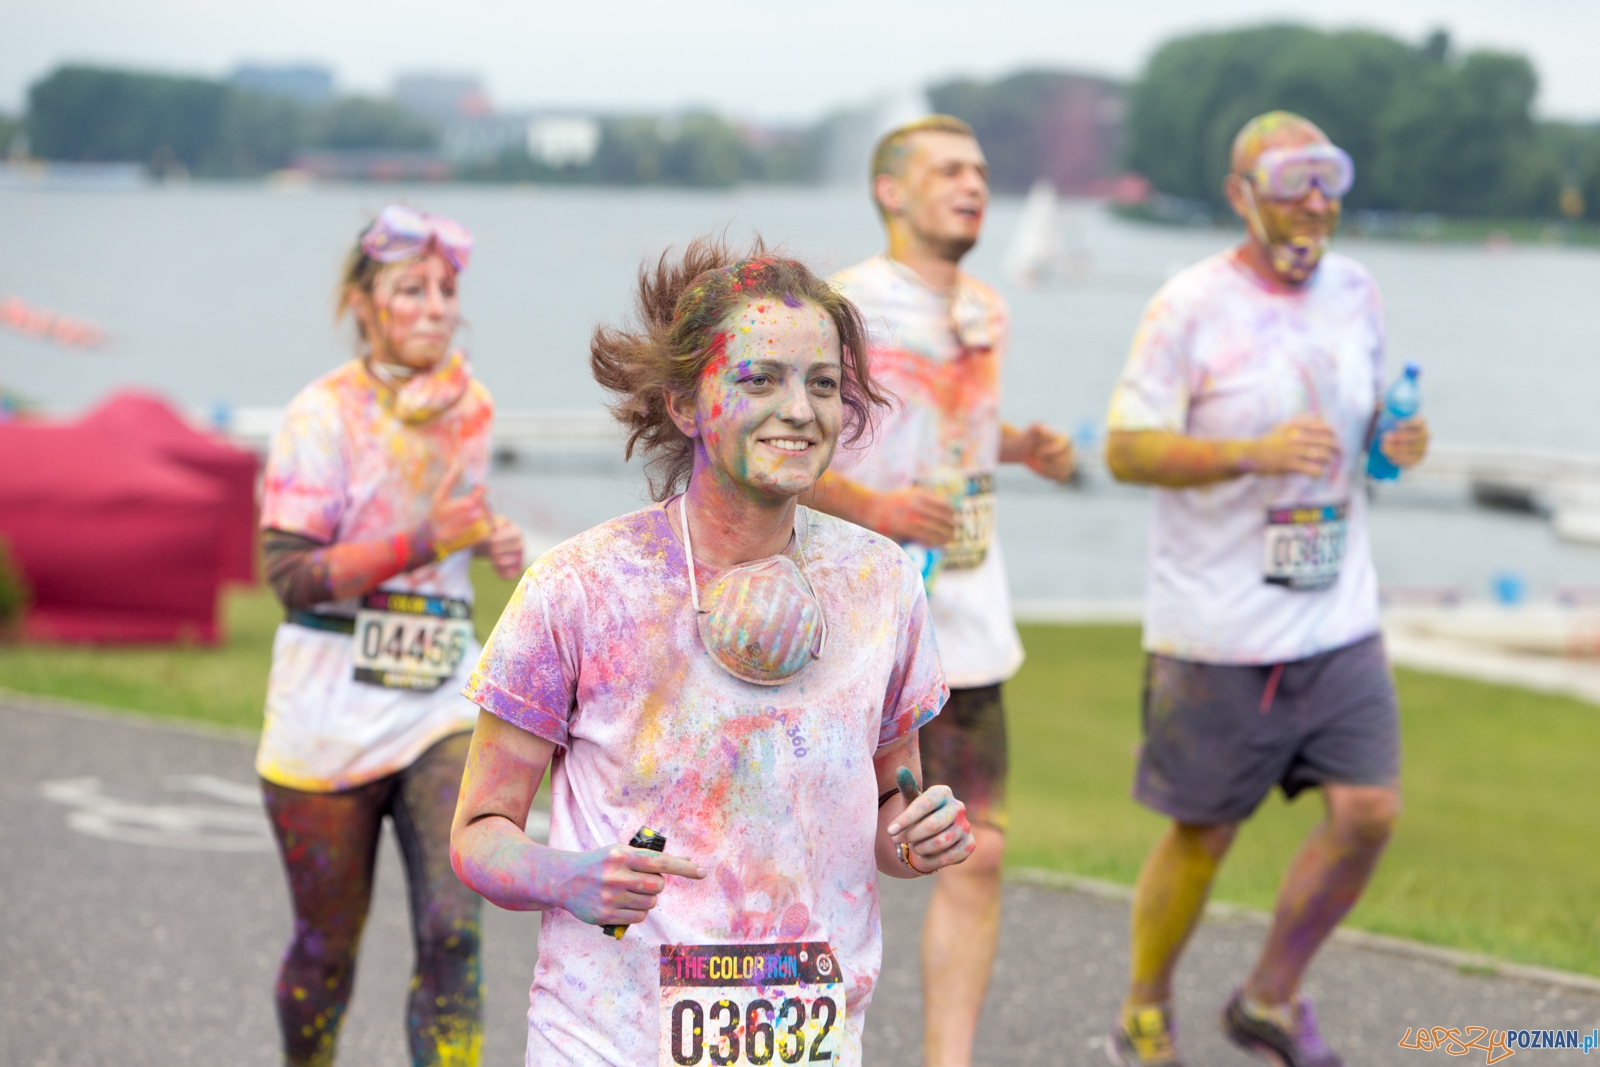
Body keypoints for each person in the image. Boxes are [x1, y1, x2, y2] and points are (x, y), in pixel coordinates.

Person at [449, 239, 978, 1067]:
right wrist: (568, 876)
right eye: (759, 378)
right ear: (686, 404)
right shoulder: (581, 587)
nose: (800, 409)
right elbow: (479, 831)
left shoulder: (882, 585)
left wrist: (917, 837)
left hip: (810, 1035)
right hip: (610, 1035)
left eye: (825, 383)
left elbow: (888, 813)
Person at [1101, 112, 1430, 1067]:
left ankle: (1269, 1000)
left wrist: (1397, 443)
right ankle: (1145, 1009)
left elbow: (1366, 428)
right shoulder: (1188, 305)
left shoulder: (1357, 292)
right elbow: (1126, 447)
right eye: (1294, 180)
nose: (1317, 200)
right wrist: (1252, 450)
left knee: (1369, 809)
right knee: (1203, 834)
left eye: (1330, 180)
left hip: (1338, 612)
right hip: (1216, 629)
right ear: (1243, 194)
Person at [800, 115, 1074, 1067]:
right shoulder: (842, 308)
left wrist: (1019, 445)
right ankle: (810, 1040)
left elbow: (947, 435)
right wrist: (879, 507)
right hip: (849, 623)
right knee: (824, 851)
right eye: (950, 170)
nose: (975, 185)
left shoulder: (987, 311)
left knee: (979, 849)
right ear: (890, 190)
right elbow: (779, 459)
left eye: (983, 172)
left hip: (968, 623)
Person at [256, 205, 525, 1067]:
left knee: (454, 932)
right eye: (413, 289)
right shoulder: (320, 415)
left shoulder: (471, 406)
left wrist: (490, 541)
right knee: (327, 950)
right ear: (362, 303)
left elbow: (450, 533)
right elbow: (291, 579)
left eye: (449, 289)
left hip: (440, 705)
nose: (437, 306)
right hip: (325, 711)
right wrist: (427, 538)